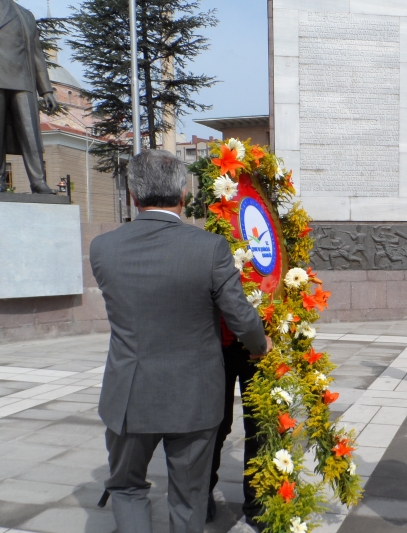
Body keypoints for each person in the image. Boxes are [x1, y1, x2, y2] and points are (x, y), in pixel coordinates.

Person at [90, 150, 271, 533]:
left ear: (133, 196)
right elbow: (241, 318)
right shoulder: (209, 248)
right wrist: (260, 344)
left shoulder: (103, 248)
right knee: (189, 497)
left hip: (129, 394)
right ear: (184, 195)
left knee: (126, 487)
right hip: (195, 396)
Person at [0, 0, 58, 193]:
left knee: (31, 132)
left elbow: (36, 53)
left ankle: (38, 181)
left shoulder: (25, 14)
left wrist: (46, 90)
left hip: (22, 78)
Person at [206, 334, 263, 529]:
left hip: (260, 347)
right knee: (215, 425)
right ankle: (203, 490)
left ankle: (256, 501)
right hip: (217, 345)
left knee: (258, 427)